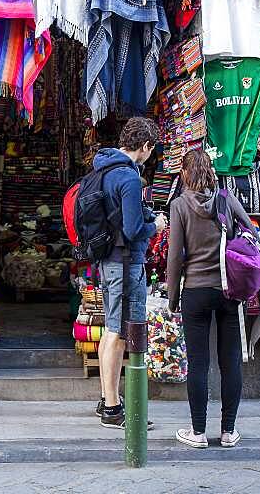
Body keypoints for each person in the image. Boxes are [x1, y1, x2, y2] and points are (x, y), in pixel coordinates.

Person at [166, 149, 254, 448]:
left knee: (199, 363)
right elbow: (251, 230)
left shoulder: (178, 206)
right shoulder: (226, 199)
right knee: (230, 362)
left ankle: (199, 432)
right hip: (228, 290)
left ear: (184, 175)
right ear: (211, 172)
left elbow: (175, 257)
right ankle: (229, 431)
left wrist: (172, 297)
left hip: (195, 292)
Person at [93, 117, 166, 429]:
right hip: (125, 262)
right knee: (119, 333)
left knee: (109, 328)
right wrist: (157, 225)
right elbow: (134, 228)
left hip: (107, 260)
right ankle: (113, 409)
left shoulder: (103, 167)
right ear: (146, 146)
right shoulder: (130, 177)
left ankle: (106, 397)